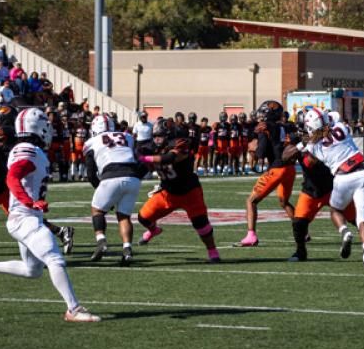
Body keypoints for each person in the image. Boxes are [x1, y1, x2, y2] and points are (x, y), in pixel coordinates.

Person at [0, 108, 100, 322]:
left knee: (33, 270)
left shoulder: (27, 148)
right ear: (36, 128)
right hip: (24, 217)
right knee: (55, 259)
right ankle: (73, 309)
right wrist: (29, 201)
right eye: (45, 126)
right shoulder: (28, 149)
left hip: (27, 217)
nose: (48, 130)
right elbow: (13, 177)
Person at [137, 117, 220, 263]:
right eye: (155, 136)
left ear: (169, 135)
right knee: (143, 218)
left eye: (160, 136)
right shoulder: (151, 147)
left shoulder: (181, 144)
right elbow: (143, 166)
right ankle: (153, 231)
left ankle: (212, 251)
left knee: (202, 225)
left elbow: (169, 158)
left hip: (189, 192)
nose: (157, 140)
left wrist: (145, 159)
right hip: (167, 193)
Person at [303, 108, 364, 269]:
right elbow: (332, 118)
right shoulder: (340, 127)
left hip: (342, 178)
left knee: (335, 210)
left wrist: (306, 140)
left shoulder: (313, 146)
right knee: (362, 219)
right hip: (362, 173)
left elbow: (309, 160)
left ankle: (345, 232)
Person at [84, 114, 144, 266]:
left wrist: (102, 190)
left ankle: (101, 241)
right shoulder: (127, 137)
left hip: (111, 175)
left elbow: (91, 174)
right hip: (133, 177)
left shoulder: (91, 142)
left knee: (97, 210)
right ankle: (127, 249)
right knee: (124, 216)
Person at [238, 100, 296, 247]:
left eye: (264, 112)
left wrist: (252, 149)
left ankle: (251, 236)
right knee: (284, 202)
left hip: (277, 169)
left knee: (251, 201)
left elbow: (260, 154)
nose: (261, 115)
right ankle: (302, 232)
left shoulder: (265, 128)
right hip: (290, 168)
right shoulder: (285, 126)